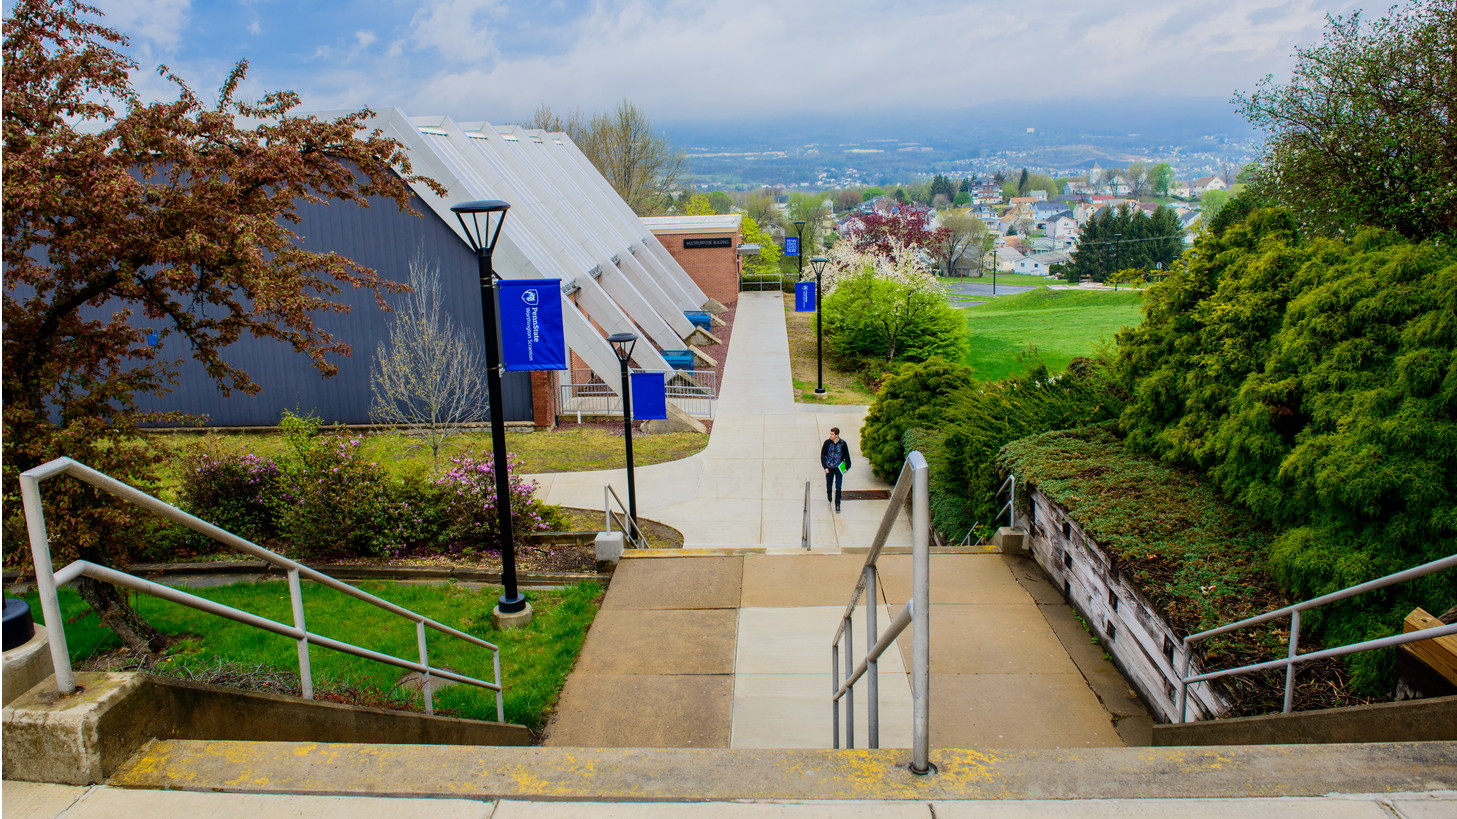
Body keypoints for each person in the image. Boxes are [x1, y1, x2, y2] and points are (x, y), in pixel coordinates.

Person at [821, 427, 852, 513]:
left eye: (832, 434)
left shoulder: (842, 444)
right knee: (829, 485)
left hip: (838, 468)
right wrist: (825, 467)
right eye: (830, 434)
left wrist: (847, 467)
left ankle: (837, 504)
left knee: (838, 486)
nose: (830, 436)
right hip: (829, 468)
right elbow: (823, 455)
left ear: (837, 435)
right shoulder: (827, 443)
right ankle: (829, 494)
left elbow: (846, 455)